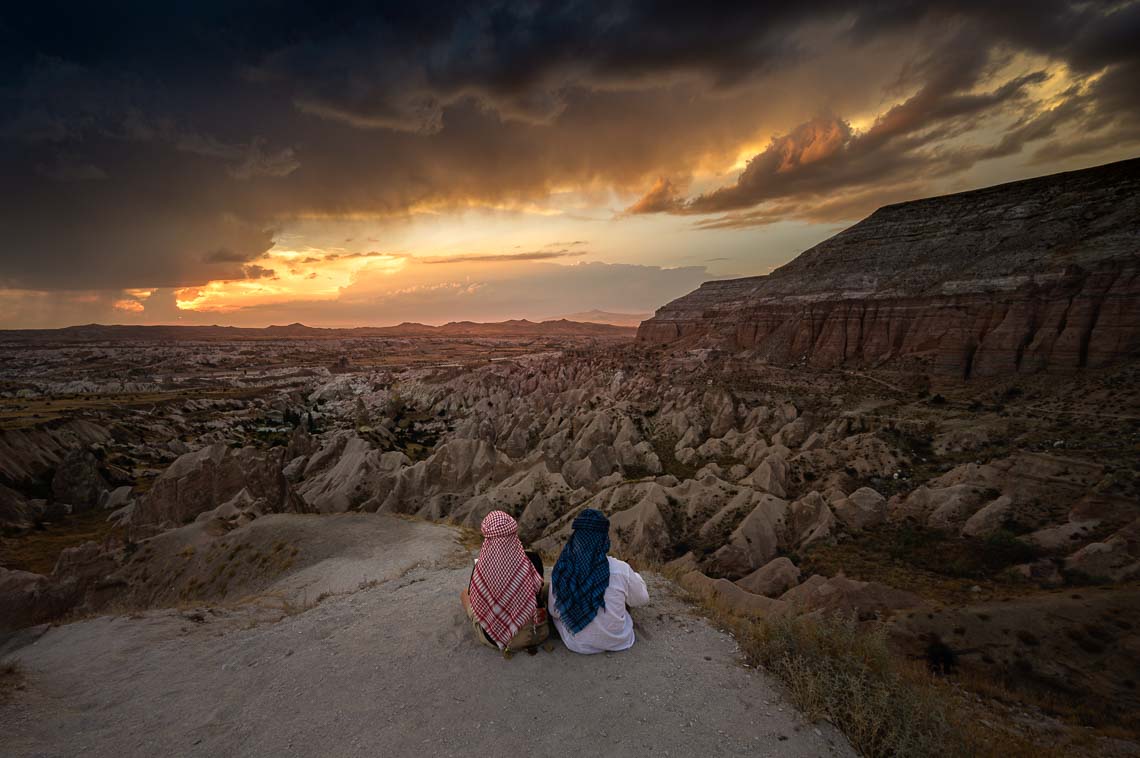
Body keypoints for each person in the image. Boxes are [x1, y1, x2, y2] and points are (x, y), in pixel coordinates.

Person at [549, 508, 649, 654]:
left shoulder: (562, 569)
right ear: (604, 539)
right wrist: (637, 579)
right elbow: (641, 600)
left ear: (576, 538)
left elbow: (555, 611)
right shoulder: (621, 570)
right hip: (619, 641)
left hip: (578, 644)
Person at [461, 510, 549, 652]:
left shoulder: (481, 568)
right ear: (513, 533)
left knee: (466, 595)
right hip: (538, 632)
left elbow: (477, 599)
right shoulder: (532, 560)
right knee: (547, 588)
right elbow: (538, 590)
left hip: (502, 640)